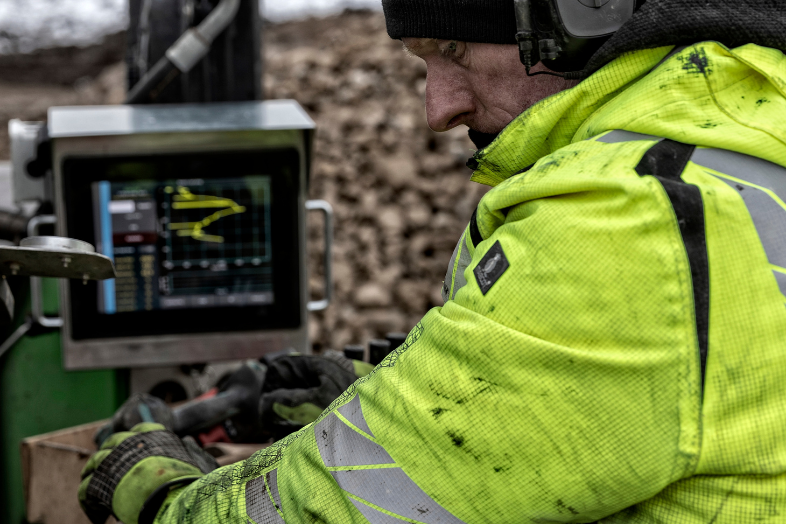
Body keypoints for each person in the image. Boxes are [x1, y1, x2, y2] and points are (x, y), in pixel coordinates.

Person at [79, 0, 786, 522]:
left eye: (451, 49)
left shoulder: (631, 217)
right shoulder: (743, 126)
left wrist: (164, 495)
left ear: (581, 14)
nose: (437, 109)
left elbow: (337, 506)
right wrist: (361, 381)